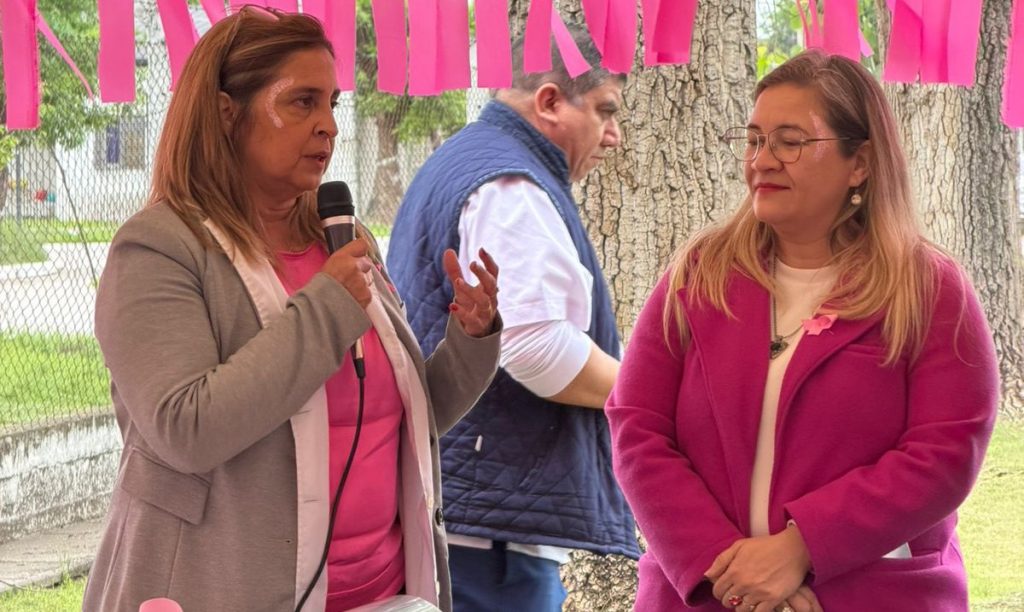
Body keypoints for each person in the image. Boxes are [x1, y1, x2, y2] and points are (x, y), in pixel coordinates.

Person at [82, 8, 501, 612]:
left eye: (332, 103)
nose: (329, 126)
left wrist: (471, 339)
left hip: (383, 590)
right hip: (226, 590)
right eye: (303, 102)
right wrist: (327, 308)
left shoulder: (343, 238)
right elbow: (185, 429)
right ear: (226, 113)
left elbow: (401, 419)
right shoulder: (160, 247)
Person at [606, 50, 999, 612]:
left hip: (870, 597)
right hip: (703, 596)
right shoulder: (698, 275)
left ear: (859, 162)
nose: (762, 161)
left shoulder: (930, 289)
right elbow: (637, 427)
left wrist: (801, 549)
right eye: (753, 140)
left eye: (789, 142)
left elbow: (944, 454)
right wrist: (732, 574)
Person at [385, 24, 640, 612]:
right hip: (487, 536)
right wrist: (648, 393)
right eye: (605, 111)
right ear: (549, 102)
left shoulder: (476, 162)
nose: (614, 135)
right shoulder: (510, 185)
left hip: (475, 514)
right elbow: (534, 348)